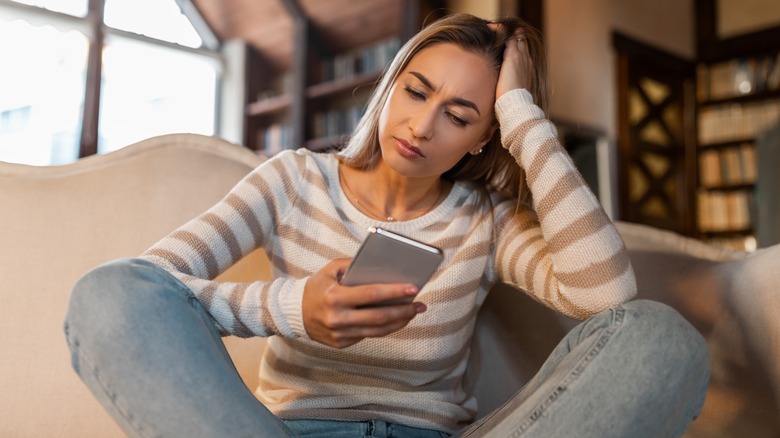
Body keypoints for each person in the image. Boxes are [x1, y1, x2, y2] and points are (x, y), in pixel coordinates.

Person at [64, 13, 709, 438]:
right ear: (392, 84)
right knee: (108, 292)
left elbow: (607, 296)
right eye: (417, 91)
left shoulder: (486, 222)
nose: (421, 127)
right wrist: (293, 308)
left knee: (662, 337)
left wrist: (521, 112)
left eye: (460, 116)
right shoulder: (293, 180)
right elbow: (150, 286)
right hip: (291, 433)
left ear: (487, 138)